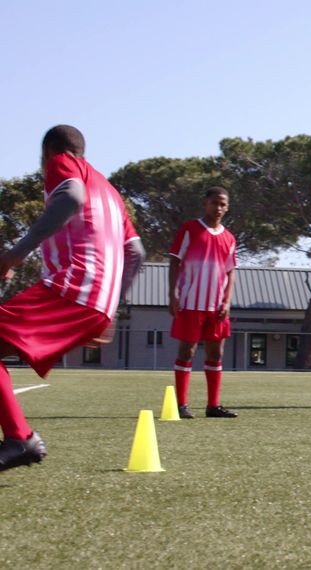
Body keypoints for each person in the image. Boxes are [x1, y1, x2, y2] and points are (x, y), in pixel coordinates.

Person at [0, 125, 145, 472]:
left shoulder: (62, 163)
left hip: (75, 288)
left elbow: (71, 198)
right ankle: (19, 437)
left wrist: (14, 255)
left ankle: (21, 439)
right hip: (96, 301)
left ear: (48, 152)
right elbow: (136, 251)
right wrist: (111, 310)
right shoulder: (110, 191)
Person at [168, 187, 238, 419]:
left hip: (217, 307)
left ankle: (213, 406)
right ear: (205, 203)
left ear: (227, 207)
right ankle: (181, 405)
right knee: (187, 351)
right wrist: (172, 294)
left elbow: (230, 272)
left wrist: (227, 301)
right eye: (214, 203)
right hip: (190, 303)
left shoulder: (229, 238)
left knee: (215, 355)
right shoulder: (189, 229)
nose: (218, 208)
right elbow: (175, 261)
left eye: (222, 204)